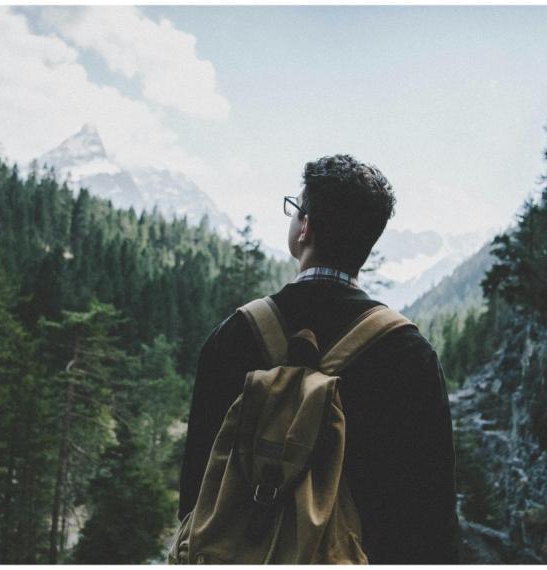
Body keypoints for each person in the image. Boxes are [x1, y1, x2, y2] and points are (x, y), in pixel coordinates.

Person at [178, 154, 460, 564]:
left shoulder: (234, 335)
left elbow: (195, 487)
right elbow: (431, 511)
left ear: (305, 227)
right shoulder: (408, 354)